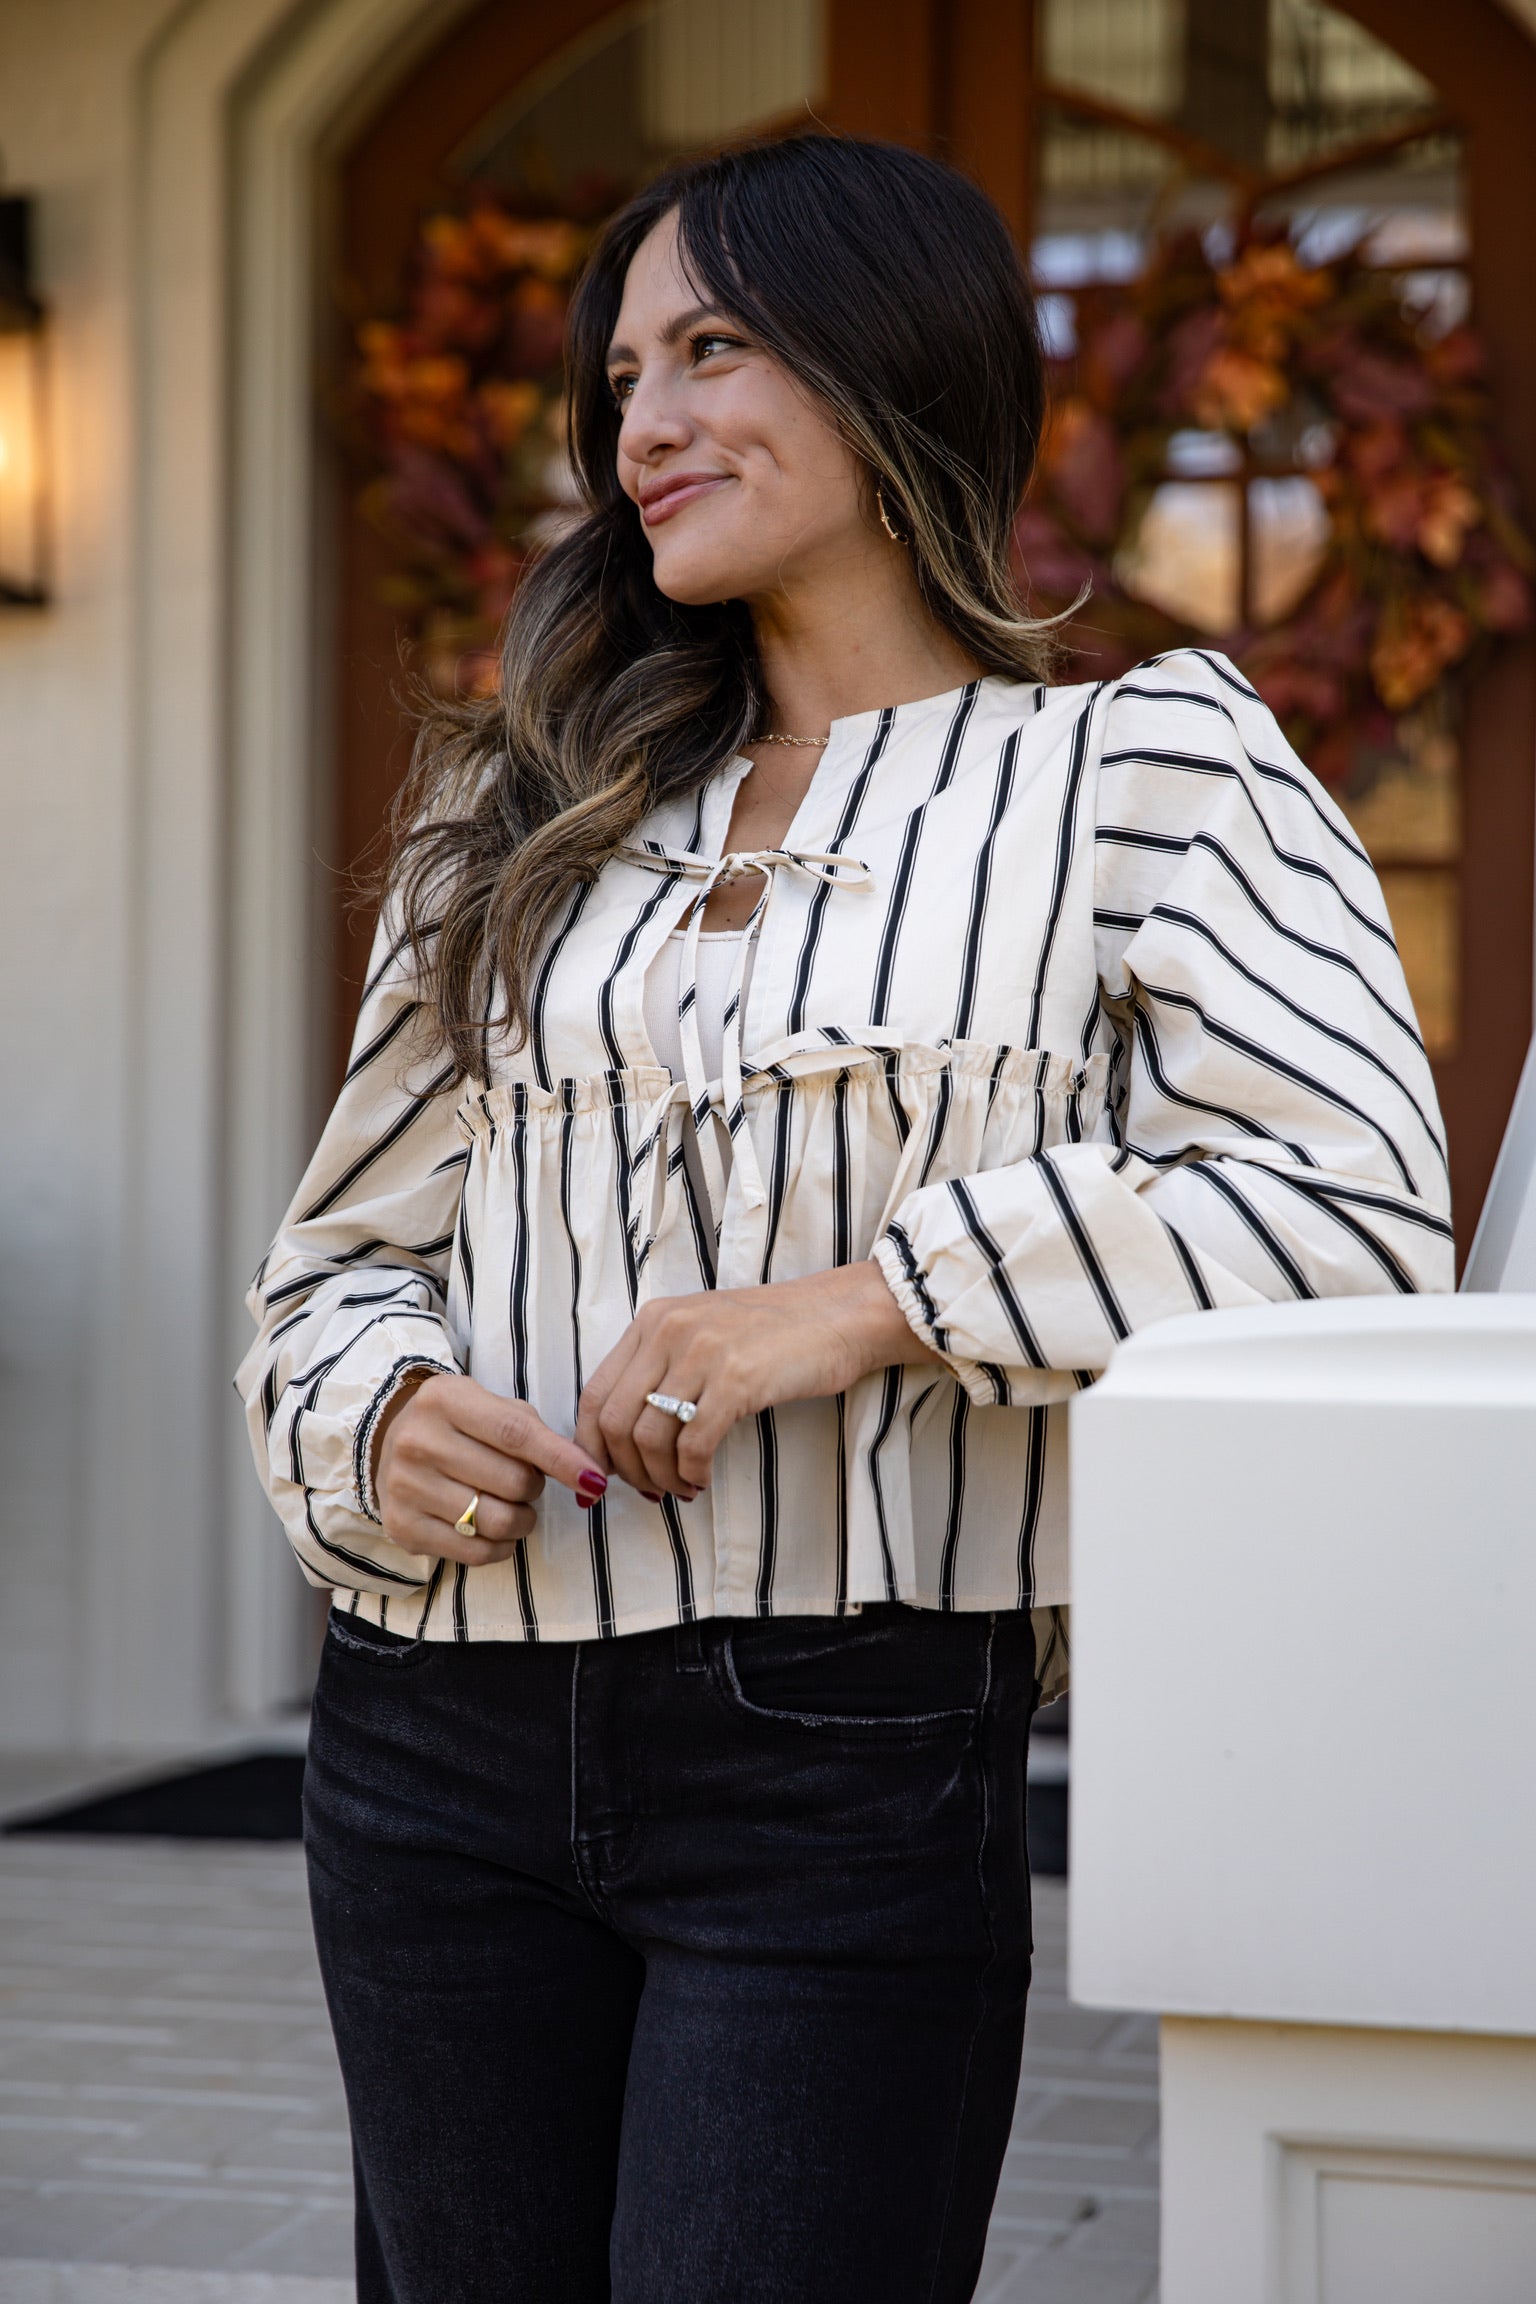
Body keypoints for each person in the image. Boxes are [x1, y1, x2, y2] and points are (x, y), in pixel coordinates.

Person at [238, 133, 1452, 2304]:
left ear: (894, 372)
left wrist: (870, 1305)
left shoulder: (1140, 774)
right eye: (622, 380)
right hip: (430, 1739)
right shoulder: (512, 818)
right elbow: (333, 1265)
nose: (648, 427)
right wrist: (380, 1412)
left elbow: (1348, 1205)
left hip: (844, 1745)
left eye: (715, 349)